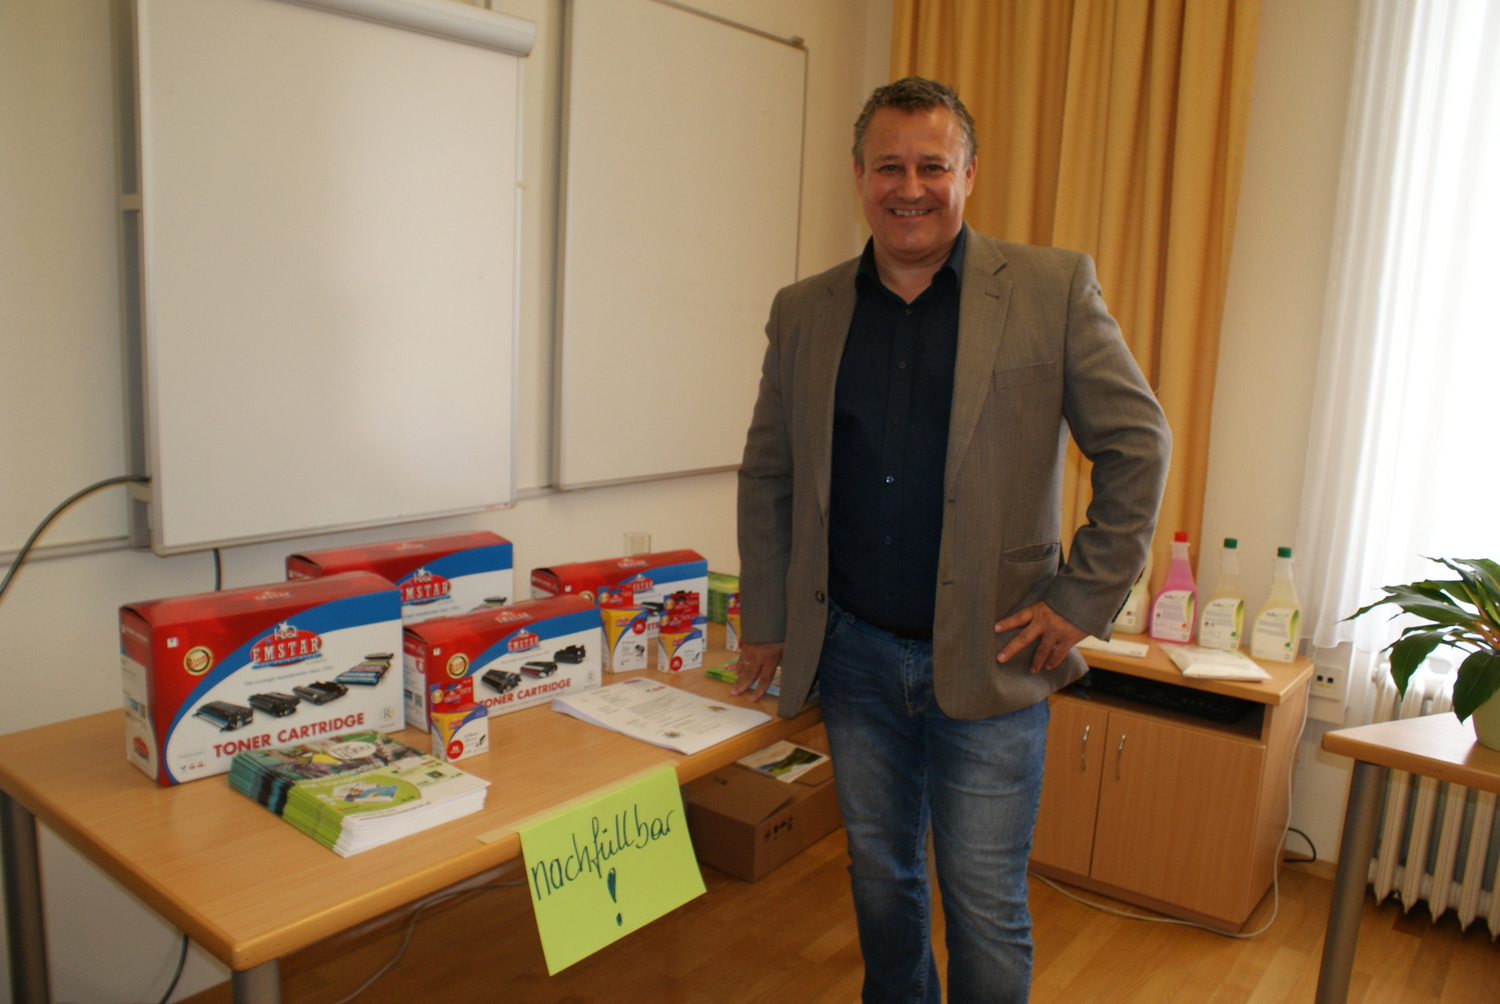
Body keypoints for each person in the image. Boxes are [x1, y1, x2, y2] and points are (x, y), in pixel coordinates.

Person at [732, 77, 1171, 1003]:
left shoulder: (1051, 289)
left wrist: (1079, 599)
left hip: (995, 653)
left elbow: (1138, 445)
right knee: (880, 881)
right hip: (853, 657)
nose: (910, 188)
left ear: (969, 174)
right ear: (859, 176)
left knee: (983, 901)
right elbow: (770, 473)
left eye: (932, 165)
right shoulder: (804, 310)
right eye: (888, 166)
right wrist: (766, 619)